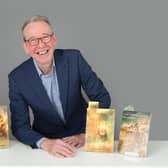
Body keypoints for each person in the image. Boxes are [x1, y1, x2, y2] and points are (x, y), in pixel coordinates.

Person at [8, 15, 111, 158]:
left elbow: (102, 97)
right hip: (47, 149)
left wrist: (86, 135)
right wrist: (45, 143)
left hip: (84, 142)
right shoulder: (17, 78)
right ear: (26, 47)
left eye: (45, 37)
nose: (41, 45)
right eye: (32, 40)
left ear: (54, 39)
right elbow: (19, 126)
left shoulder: (74, 59)